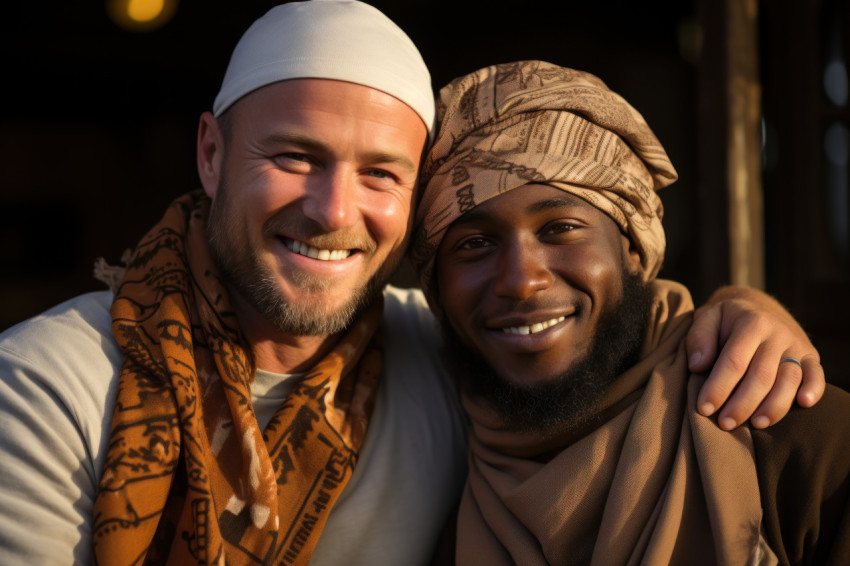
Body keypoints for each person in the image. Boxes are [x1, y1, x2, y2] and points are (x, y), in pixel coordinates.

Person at [0, 3, 825, 565]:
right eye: (295, 157)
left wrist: (745, 311)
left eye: (381, 174)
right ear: (211, 154)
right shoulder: (50, 385)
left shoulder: (445, 355)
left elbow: (606, 342)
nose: (332, 211)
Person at [413, 60, 850, 565]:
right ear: (437, 288)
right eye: (474, 243)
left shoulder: (798, 443)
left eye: (560, 228)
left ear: (633, 250)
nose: (520, 280)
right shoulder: (434, 490)